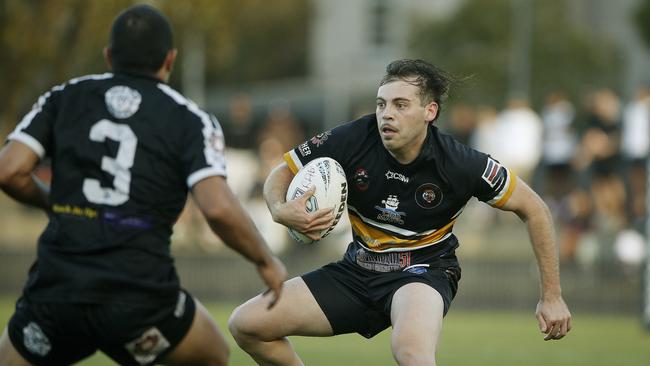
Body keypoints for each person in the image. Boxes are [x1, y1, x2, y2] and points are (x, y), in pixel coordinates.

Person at [228, 59, 572, 365]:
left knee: (411, 352)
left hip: (422, 272)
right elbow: (282, 172)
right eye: (381, 104)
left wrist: (552, 297)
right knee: (247, 325)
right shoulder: (354, 137)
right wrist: (279, 208)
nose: (386, 113)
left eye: (400, 104)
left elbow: (536, 209)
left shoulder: (461, 162)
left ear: (430, 111)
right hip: (357, 270)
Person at [0, 4, 286, 366]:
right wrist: (265, 260)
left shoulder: (64, 96)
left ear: (108, 56)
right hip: (138, 298)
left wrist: (50, 203)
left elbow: (9, 171)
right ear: (170, 59)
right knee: (213, 355)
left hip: (58, 291)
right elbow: (216, 206)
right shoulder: (189, 119)